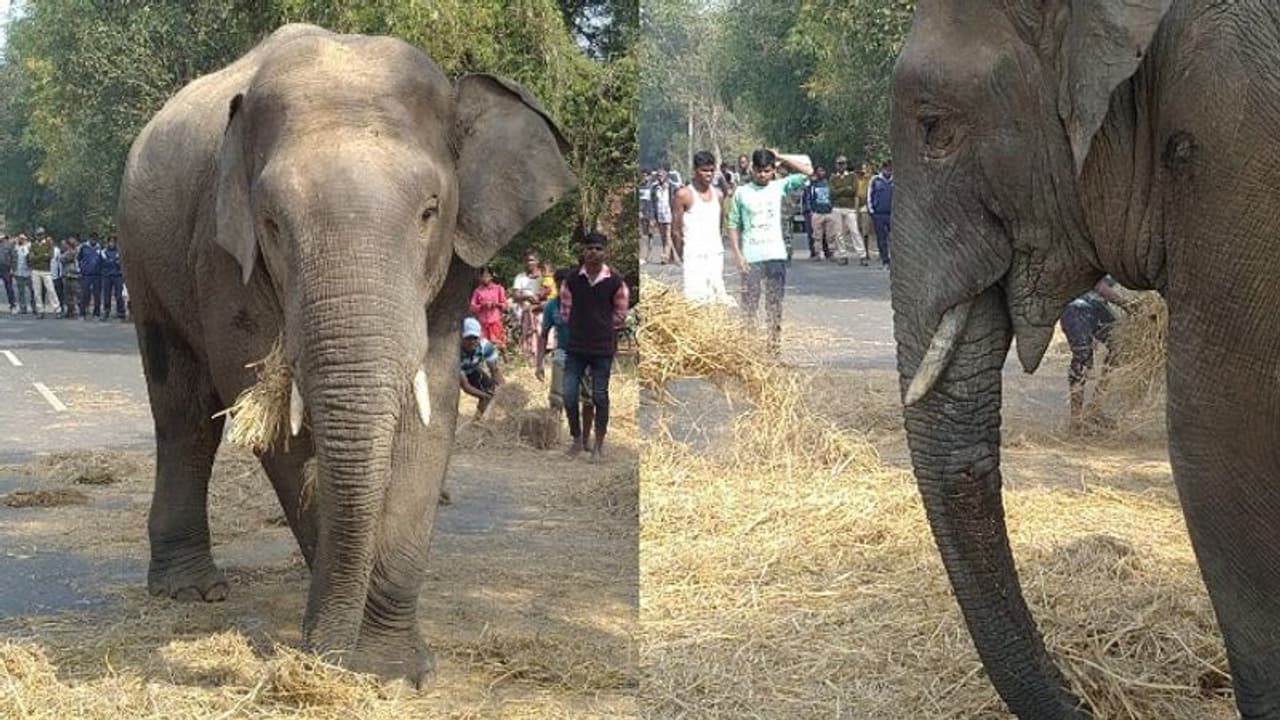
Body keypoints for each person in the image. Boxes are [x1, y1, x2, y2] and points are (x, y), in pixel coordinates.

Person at [726, 148, 814, 355]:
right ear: (752, 169)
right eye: (759, 171)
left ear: (772, 170)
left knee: (774, 305)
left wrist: (781, 157)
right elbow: (732, 224)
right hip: (751, 257)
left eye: (767, 171)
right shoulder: (742, 192)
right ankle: (748, 349)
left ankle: (773, 348)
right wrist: (737, 255)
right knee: (749, 306)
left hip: (775, 255)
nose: (763, 175)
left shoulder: (779, 186)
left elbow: (808, 171)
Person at [558, 232, 629, 462]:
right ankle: (577, 439)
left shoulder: (616, 282)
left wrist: (600, 326)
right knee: (568, 395)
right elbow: (566, 312)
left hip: (602, 349)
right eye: (589, 248)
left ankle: (598, 446)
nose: (594, 252)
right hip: (576, 348)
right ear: (583, 251)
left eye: (598, 248)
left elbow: (620, 315)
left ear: (604, 252)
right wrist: (583, 326)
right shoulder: (571, 280)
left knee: (600, 397)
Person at [1061, 276, 1134, 433]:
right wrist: (1128, 305)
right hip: (1075, 307)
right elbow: (1096, 283)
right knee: (1083, 357)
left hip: (1097, 306)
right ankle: (1076, 419)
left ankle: (1095, 407)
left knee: (1120, 345)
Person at [536, 268, 595, 450]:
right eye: (559, 283)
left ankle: (585, 440)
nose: (563, 287)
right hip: (562, 355)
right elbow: (544, 335)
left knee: (588, 399)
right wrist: (539, 363)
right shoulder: (552, 306)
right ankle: (555, 437)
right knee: (558, 399)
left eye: (566, 283)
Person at [672, 150, 732, 305]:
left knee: (716, 296)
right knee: (696, 299)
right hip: (694, 254)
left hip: (715, 253)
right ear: (695, 171)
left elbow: (719, 224)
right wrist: (682, 254)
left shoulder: (718, 194)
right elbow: (676, 231)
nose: (708, 174)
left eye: (711, 170)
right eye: (704, 170)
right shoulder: (684, 194)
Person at [459, 317, 504, 419]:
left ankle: (478, 420)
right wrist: (486, 396)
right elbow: (466, 386)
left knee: (489, 389)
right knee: (487, 396)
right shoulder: (455, 353)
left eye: (474, 338)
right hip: (452, 375)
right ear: (461, 337)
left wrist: (504, 390)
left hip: (472, 369)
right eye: (468, 338)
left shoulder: (486, 347)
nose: (472, 342)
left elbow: (495, 371)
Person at [828, 155, 869, 266]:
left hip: (849, 208)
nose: (841, 166)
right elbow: (832, 193)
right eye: (839, 164)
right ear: (836, 165)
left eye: (843, 164)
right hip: (837, 207)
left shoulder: (852, 176)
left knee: (854, 231)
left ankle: (862, 255)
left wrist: (840, 190)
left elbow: (854, 190)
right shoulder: (833, 177)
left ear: (846, 165)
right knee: (839, 233)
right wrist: (846, 189)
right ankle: (843, 255)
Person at [511, 253, 546, 357]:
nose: (529, 263)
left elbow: (550, 290)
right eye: (527, 261)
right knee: (527, 334)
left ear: (537, 261)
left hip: (540, 309)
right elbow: (515, 296)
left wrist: (539, 299)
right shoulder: (520, 277)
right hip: (524, 310)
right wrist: (527, 297)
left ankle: (541, 357)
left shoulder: (544, 276)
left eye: (532, 260)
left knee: (541, 333)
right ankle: (528, 357)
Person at [468, 266, 508, 348]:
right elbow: (472, 307)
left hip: (495, 322)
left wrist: (495, 304)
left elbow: (505, 306)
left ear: (491, 276)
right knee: (483, 346)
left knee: (500, 345)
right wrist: (482, 305)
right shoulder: (478, 291)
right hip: (483, 323)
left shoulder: (498, 289)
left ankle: (506, 360)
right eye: (482, 276)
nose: (484, 278)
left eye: (486, 276)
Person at [805, 165, 837, 262]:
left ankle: (831, 253)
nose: (821, 173)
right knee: (817, 235)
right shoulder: (812, 185)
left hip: (828, 212)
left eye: (822, 171)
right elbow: (808, 198)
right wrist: (810, 210)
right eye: (819, 171)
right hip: (817, 212)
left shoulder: (829, 184)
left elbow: (834, 196)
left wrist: (833, 208)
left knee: (830, 235)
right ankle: (817, 253)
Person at [867, 160, 894, 268]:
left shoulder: (895, 180)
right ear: (883, 168)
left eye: (890, 169)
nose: (889, 171)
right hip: (879, 214)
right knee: (881, 238)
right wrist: (872, 210)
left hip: (892, 214)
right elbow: (869, 196)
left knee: (894, 238)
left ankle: (895, 260)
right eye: (887, 168)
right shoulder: (875, 180)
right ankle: (885, 260)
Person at [28, 232, 58, 319]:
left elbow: (50, 256)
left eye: (41, 234)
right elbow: (31, 258)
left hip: (46, 270)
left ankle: (57, 309)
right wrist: (43, 255)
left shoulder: (49, 244)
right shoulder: (33, 245)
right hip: (35, 270)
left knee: (51, 290)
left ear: (44, 235)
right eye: (38, 234)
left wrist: (37, 256)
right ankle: (40, 311)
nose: (39, 236)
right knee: (37, 292)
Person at [649, 167, 677, 264]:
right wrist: (652, 217)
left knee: (668, 235)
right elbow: (652, 204)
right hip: (659, 215)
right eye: (658, 176)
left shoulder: (672, 186)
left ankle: (665, 256)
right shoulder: (654, 188)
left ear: (666, 176)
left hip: (669, 214)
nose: (660, 178)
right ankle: (671, 256)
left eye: (661, 176)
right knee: (663, 237)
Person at [77, 234, 103, 319]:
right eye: (92, 239)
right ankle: (82, 313)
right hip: (86, 274)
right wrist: (81, 269)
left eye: (95, 239)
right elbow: (79, 259)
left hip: (97, 275)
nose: (93, 241)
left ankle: (96, 314)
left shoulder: (100, 248)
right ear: (89, 239)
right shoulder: (83, 247)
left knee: (97, 295)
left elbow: (102, 260)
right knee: (84, 294)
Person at [100, 236, 125, 320]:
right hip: (107, 276)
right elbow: (102, 263)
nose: (112, 243)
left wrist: (113, 261)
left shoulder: (119, 252)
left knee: (119, 295)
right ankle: (106, 311)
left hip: (118, 276)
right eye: (110, 242)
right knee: (106, 295)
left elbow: (121, 263)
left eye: (113, 242)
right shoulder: (103, 252)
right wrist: (113, 261)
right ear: (107, 243)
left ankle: (121, 312)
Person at [855, 161, 876, 263]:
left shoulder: (871, 179)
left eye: (866, 168)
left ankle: (866, 252)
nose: (864, 170)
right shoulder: (856, 180)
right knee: (859, 230)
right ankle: (862, 251)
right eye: (862, 168)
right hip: (857, 207)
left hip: (866, 207)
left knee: (866, 231)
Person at [60, 236, 79, 318]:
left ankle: (74, 311)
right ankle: (69, 311)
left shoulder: (75, 251)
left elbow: (64, 259)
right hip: (67, 275)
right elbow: (62, 259)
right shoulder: (66, 252)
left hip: (75, 275)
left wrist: (66, 254)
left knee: (74, 294)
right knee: (67, 295)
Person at [12, 234, 32, 314]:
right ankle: (23, 308)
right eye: (20, 239)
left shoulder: (30, 247)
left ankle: (34, 307)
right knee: (21, 291)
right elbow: (13, 259)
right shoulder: (15, 248)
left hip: (29, 272)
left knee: (32, 290)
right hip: (18, 272)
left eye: (23, 239)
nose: (21, 240)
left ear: (26, 239)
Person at [0, 234, 15, 314]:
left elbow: (13, 257)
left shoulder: (9, 246)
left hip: (6, 268)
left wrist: (12, 268)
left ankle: (12, 306)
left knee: (9, 287)